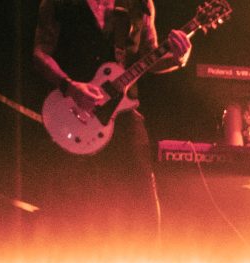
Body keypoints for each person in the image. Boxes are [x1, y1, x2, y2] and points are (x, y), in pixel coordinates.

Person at [33, 0, 194, 240]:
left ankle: (144, 257)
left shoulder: (141, 4)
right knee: (67, 204)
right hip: (72, 112)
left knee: (142, 201)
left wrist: (179, 57)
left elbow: (151, 56)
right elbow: (40, 54)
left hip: (122, 114)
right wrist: (70, 87)